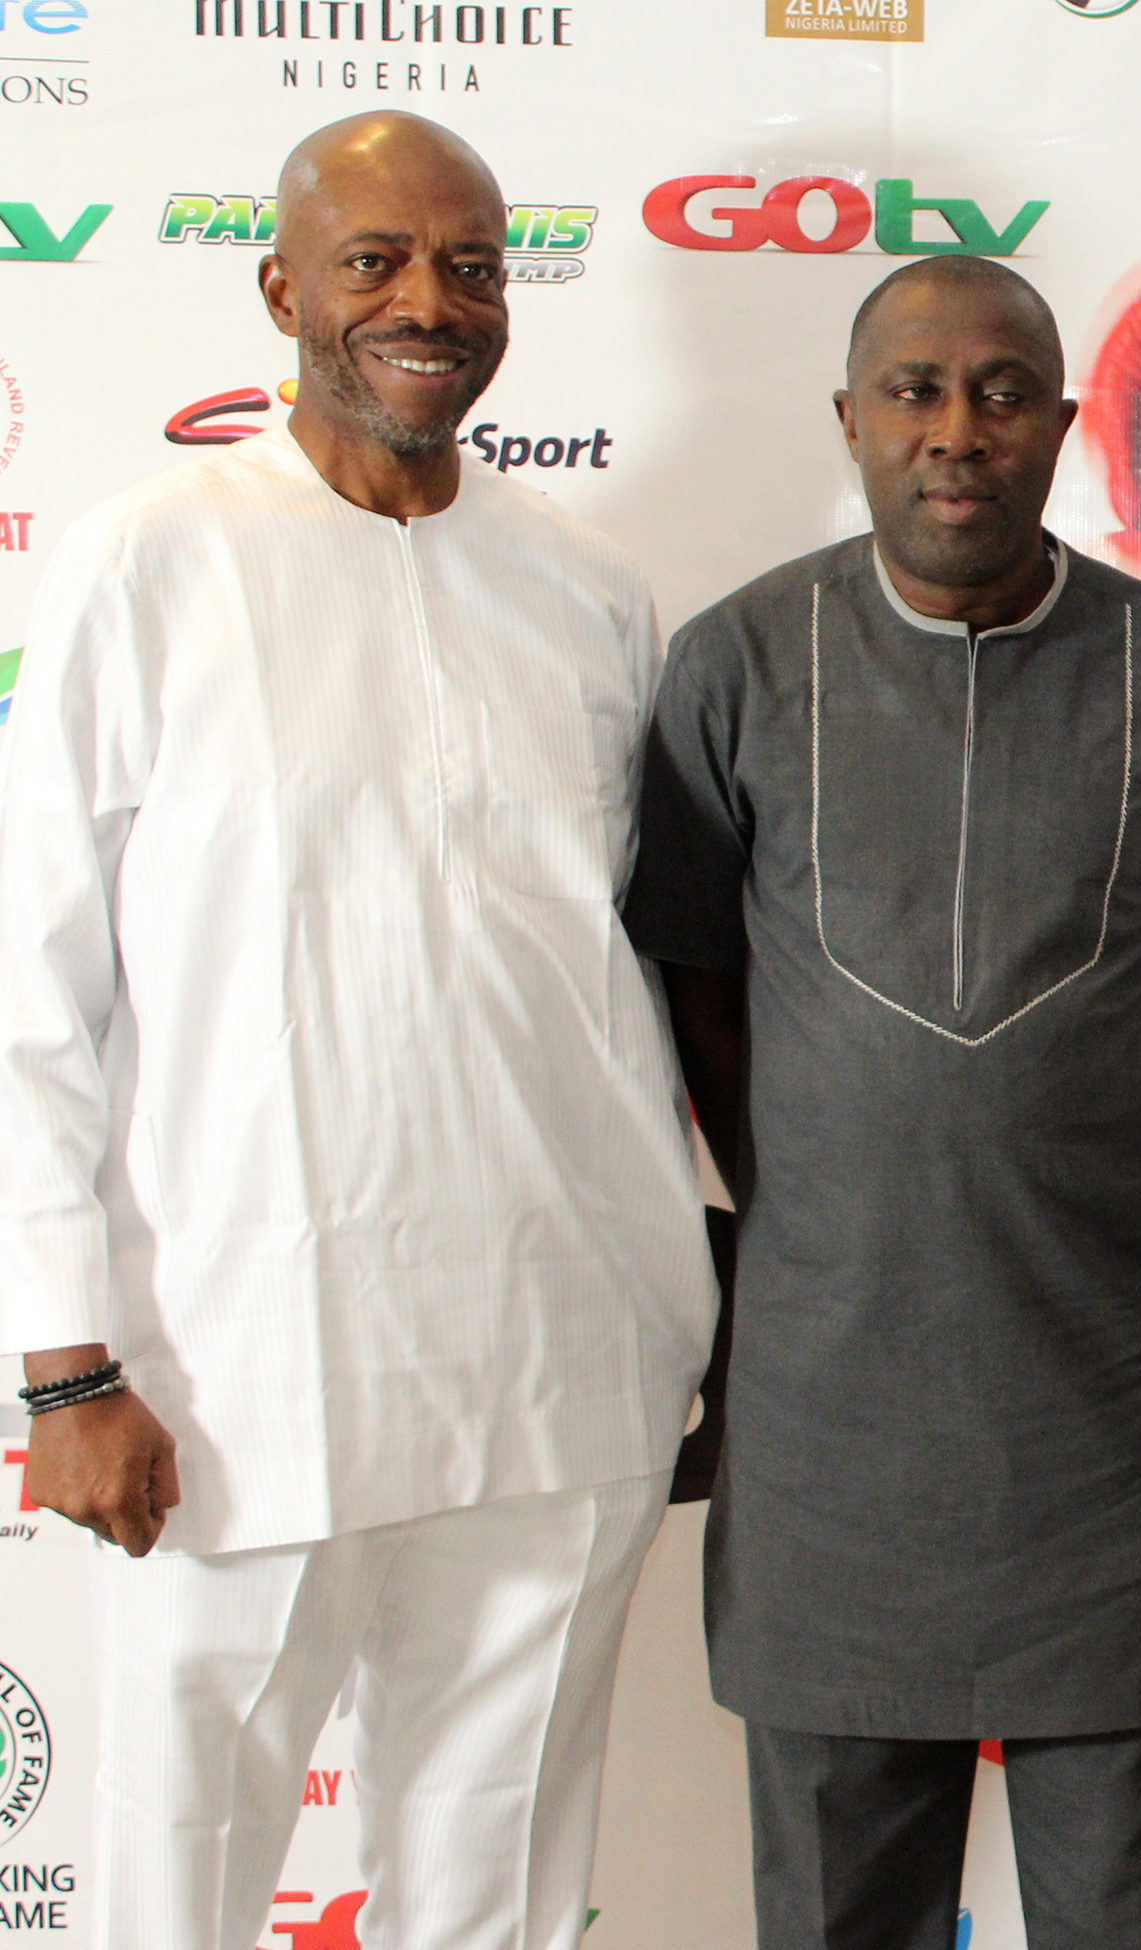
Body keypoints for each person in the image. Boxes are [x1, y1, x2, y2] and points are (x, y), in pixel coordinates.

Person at [0, 113, 716, 1950]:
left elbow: (628, 966)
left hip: (561, 1350)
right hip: (237, 1362)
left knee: (503, 1891)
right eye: (374, 260)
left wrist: (692, 1304)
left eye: (470, 266)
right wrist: (65, 1368)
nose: (428, 302)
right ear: (280, 290)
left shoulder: (588, 589)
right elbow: (34, 989)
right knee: (178, 1876)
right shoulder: (149, 562)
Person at [621, 255, 1141, 1950]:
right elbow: (697, 988)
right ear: (849, 418)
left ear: (1065, 424)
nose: (956, 431)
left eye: (1001, 393)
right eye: (913, 390)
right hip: (832, 1415)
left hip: (1113, 1417)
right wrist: (824, 1190)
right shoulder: (734, 666)